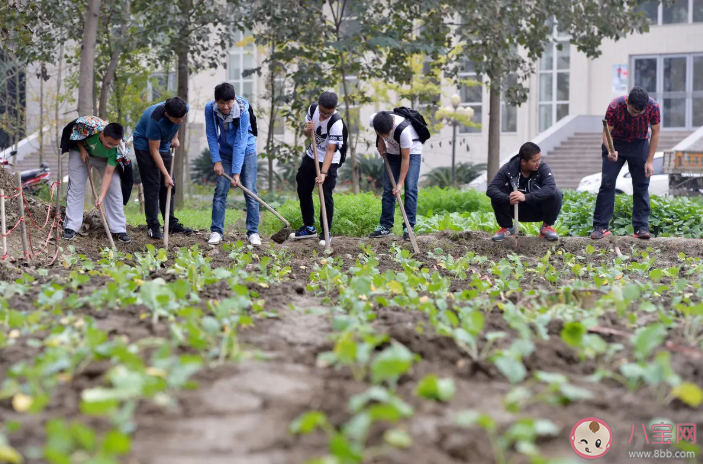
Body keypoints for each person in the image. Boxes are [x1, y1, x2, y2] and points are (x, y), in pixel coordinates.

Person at [591, 86, 661, 240]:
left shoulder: (653, 107)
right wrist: (610, 150)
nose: (636, 115)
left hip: (640, 143)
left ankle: (641, 227)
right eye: (633, 111)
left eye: (639, 112)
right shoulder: (615, 106)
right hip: (616, 142)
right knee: (608, 183)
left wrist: (649, 161)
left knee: (642, 184)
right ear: (628, 102)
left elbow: (655, 133)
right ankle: (601, 226)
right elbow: (606, 131)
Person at [204, 83, 261, 246]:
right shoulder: (210, 109)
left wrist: (236, 173)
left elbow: (241, 141)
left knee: (250, 190)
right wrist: (217, 161)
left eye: (228, 103)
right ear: (216, 101)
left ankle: (253, 232)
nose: (225, 107)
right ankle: (216, 231)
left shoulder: (243, 108)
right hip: (224, 151)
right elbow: (211, 134)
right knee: (220, 191)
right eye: (221, 103)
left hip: (246, 149)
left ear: (234, 100)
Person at [133, 96, 193, 239]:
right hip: (145, 146)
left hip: (164, 143)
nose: (180, 121)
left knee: (169, 186)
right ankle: (153, 226)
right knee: (153, 185)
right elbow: (154, 151)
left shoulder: (183, 108)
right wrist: (165, 174)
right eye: (177, 119)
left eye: (182, 118)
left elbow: (175, 125)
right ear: (167, 114)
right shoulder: (156, 120)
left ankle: (170, 224)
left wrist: (174, 137)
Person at [63, 122, 130, 243]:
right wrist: (82, 149)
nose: (111, 146)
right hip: (81, 152)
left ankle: (119, 228)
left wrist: (101, 197)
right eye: (109, 143)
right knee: (76, 187)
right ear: (102, 135)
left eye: (115, 144)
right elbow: (76, 134)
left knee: (115, 188)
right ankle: (71, 226)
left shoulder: (119, 148)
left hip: (103, 159)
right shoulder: (90, 129)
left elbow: (109, 173)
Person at [293, 91, 344, 246]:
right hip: (312, 155)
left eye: (327, 114)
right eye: (322, 112)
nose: (323, 116)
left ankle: (326, 231)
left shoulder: (336, 122)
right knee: (303, 189)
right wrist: (308, 129)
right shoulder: (313, 109)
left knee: (325, 195)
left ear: (334, 109)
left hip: (329, 160)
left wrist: (323, 173)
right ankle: (309, 228)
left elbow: (330, 150)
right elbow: (307, 134)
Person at [486, 142, 562, 242]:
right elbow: (491, 189)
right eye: (534, 161)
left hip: (537, 209)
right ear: (523, 162)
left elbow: (550, 187)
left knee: (556, 193)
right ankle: (507, 228)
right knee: (497, 194)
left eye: (539, 159)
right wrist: (508, 199)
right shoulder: (508, 168)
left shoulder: (543, 167)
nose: (538, 162)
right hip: (515, 208)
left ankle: (546, 227)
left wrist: (526, 197)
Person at [368, 111, 422, 240]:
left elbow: (405, 159)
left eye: (387, 133)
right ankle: (385, 226)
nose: (386, 136)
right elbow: (380, 133)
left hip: (411, 152)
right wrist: (380, 140)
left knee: (410, 189)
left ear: (392, 124)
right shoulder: (373, 119)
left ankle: (408, 227)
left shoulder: (404, 131)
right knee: (388, 188)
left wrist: (400, 183)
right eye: (382, 134)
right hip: (392, 152)